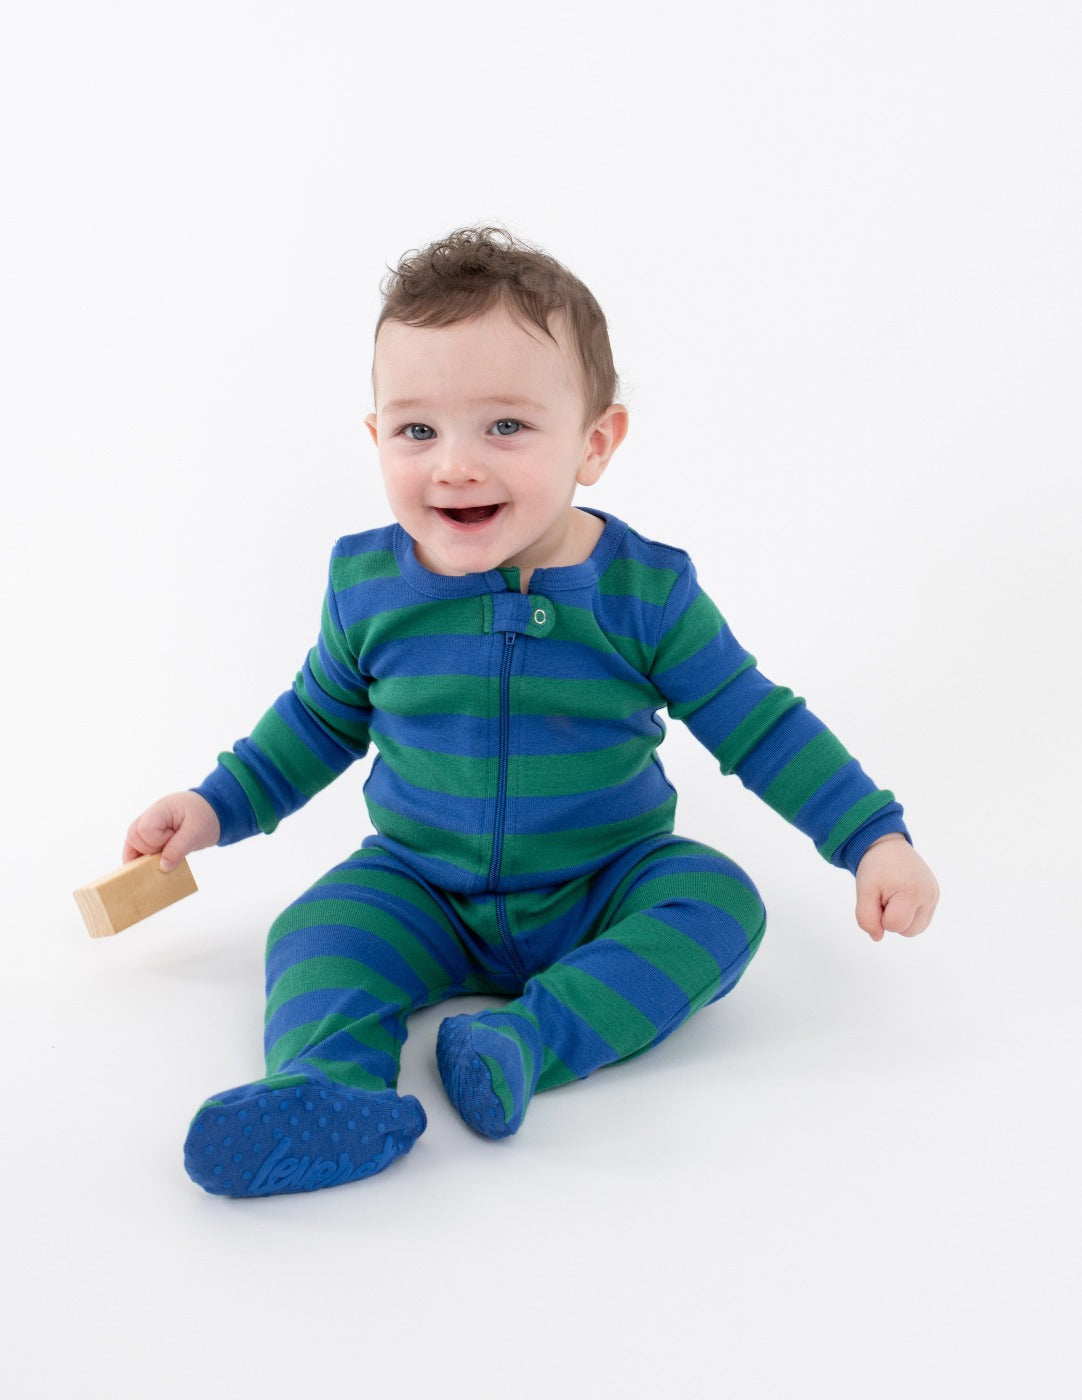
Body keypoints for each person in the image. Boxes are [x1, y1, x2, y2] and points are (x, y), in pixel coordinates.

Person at [125, 226, 939, 1199]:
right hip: (419, 884)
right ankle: (324, 1088)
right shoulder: (368, 585)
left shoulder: (643, 591)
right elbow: (314, 720)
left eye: (504, 426)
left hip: (603, 880)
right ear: (376, 435)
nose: (455, 465)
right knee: (315, 932)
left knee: (718, 902)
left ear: (595, 442)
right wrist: (212, 807)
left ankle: (521, 1039)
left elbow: (757, 723)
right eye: (417, 429)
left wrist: (868, 836)